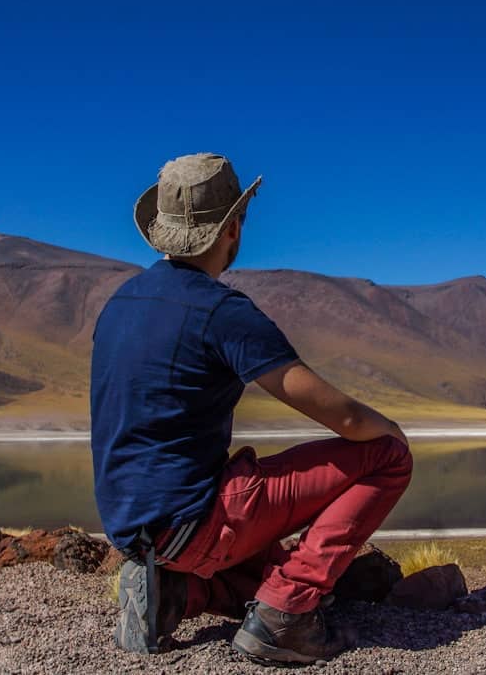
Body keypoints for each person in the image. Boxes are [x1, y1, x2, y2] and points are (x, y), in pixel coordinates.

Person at [90, 153, 412, 665]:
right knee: (388, 456)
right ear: (233, 227)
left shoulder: (119, 303)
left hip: (135, 532)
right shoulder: (221, 311)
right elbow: (345, 420)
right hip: (194, 523)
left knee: (271, 562)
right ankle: (286, 615)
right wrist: (390, 428)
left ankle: (175, 593)